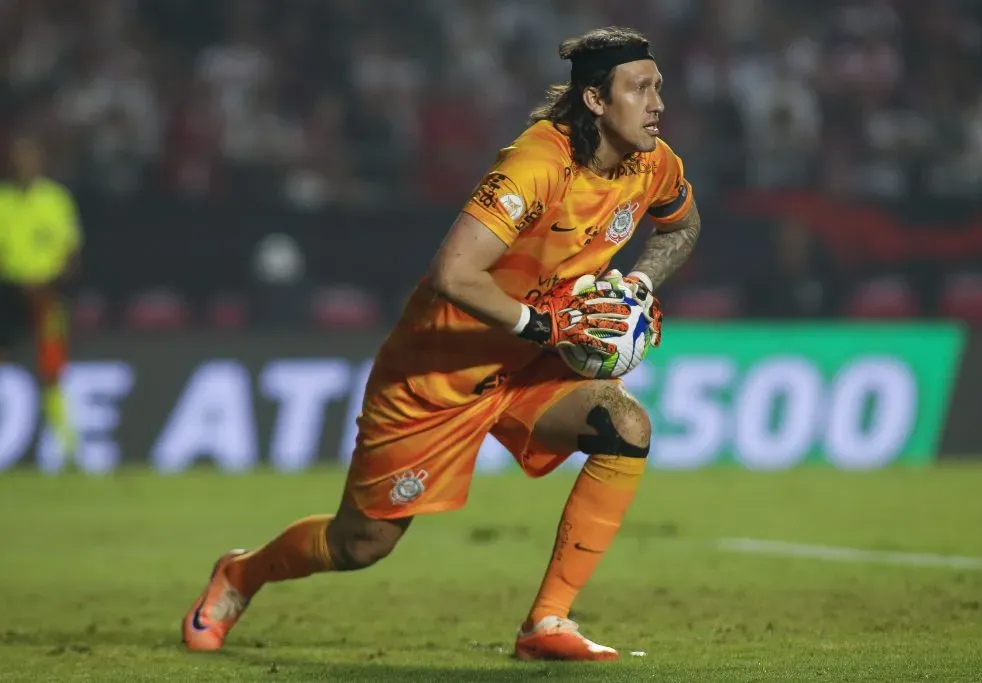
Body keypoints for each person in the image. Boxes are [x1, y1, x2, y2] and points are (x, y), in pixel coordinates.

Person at [182, 26, 702, 662]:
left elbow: (682, 226)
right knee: (361, 544)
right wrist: (540, 325)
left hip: (533, 369)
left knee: (625, 425)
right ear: (596, 99)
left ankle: (547, 622)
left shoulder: (654, 163)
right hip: (438, 375)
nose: (657, 103)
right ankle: (241, 573)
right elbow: (453, 274)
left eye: (658, 88)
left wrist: (637, 286)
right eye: (640, 88)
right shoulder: (537, 165)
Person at [0, 134, 81, 457]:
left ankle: (67, 445)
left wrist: (52, 283)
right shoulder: (3, 201)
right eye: (19, 157)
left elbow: (71, 251)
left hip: (48, 293)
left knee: (52, 366)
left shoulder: (55, 199)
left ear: (41, 162)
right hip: (7, 292)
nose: (24, 163)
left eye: (30, 157)